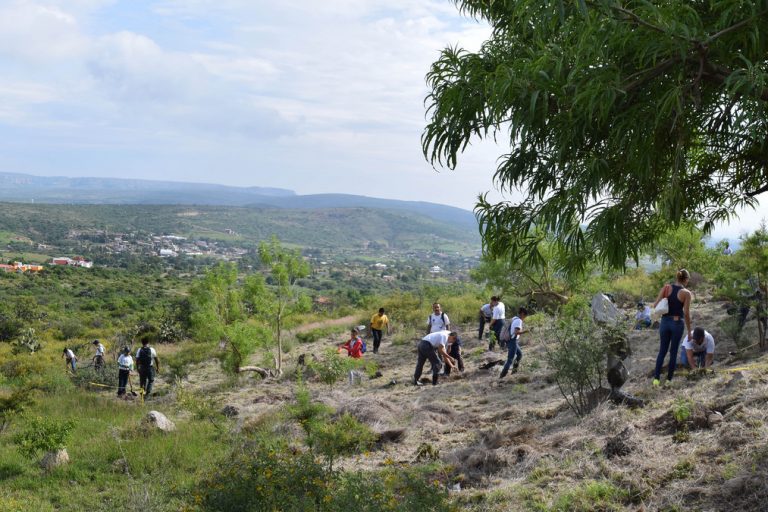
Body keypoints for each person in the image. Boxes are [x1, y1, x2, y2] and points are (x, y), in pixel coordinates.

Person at [652, 269, 693, 386]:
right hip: (677, 323)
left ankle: (656, 379)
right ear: (685, 279)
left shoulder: (666, 288)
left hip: (664, 322)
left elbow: (655, 305)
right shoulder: (686, 293)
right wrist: (689, 331)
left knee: (662, 351)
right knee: (673, 352)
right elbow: (686, 313)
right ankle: (669, 380)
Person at [499, 307, 528, 378]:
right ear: (522, 314)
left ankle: (514, 371)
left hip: (510, 340)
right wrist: (526, 331)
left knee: (519, 355)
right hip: (513, 341)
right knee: (510, 359)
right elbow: (516, 332)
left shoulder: (514, 318)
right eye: (525, 316)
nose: (525, 318)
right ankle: (502, 376)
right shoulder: (519, 321)